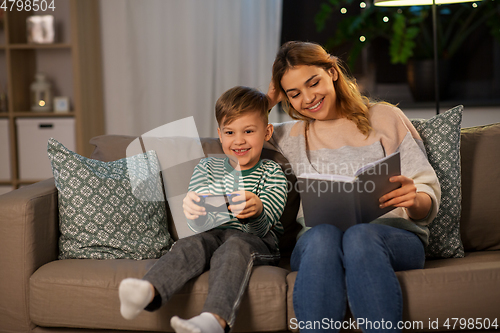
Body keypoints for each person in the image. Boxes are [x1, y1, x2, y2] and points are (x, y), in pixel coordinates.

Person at [267, 41, 441, 332]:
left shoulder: (385, 118)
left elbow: (425, 193)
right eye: (294, 94)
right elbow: (237, 133)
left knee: (360, 235)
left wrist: (415, 199)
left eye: (313, 83)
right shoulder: (290, 136)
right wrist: (267, 99)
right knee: (323, 235)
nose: (308, 98)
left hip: (395, 238)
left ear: (332, 72)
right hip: (317, 244)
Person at [118, 86, 288, 333]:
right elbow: (198, 226)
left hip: (257, 241)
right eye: (230, 132)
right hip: (212, 235)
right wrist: (194, 210)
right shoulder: (207, 167)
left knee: (235, 245)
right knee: (190, 243)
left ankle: (213, 321)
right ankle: (148, 291)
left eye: (249, 131)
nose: (238, 140)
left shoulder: (272, 172)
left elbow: (263, 228)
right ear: (220, 134)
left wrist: (257, 209)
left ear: (267, 132)